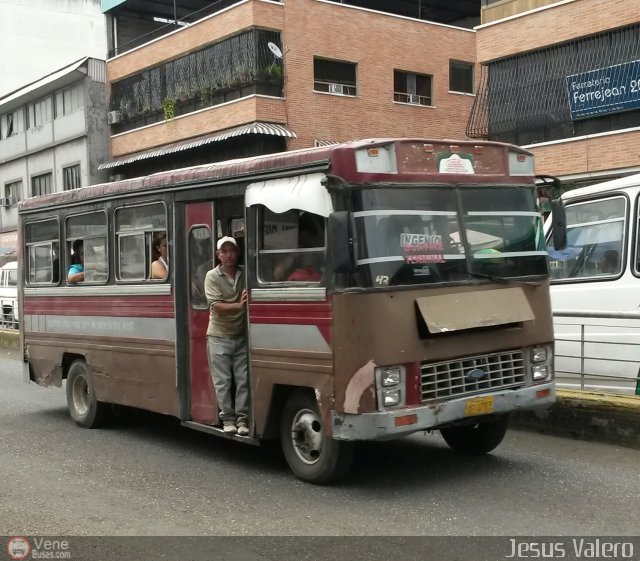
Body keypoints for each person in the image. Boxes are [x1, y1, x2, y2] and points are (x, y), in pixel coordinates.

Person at [204, 236, 249, 436]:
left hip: (240, 334)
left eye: (232, 251)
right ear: (218, 255)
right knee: (223, 381)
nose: (228, 255)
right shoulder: (212, 276)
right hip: (218, 336)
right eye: (224, 251)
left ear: (237, 253)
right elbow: (216, 306)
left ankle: (242, 419)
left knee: (243, 379)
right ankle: (228, 419)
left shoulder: (245, 273)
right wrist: (239, 306)